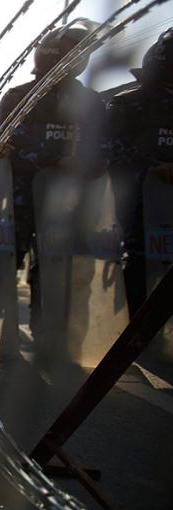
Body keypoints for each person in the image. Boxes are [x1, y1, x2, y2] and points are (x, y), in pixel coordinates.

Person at [0, 19, 106, 334]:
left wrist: (93, 163)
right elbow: (11, 146)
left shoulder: (90, 101)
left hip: (66, 200)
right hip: (20, 197)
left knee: (56, 262)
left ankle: (47, 328)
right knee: (8, 260)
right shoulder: (21, 97)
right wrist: (56, 160)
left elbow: (102, 145)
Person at [106, 28, 173, 316]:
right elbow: (111, 147)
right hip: (137, 205)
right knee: (136, 265)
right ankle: (133, 331)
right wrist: (155, 167)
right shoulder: (129, 102)